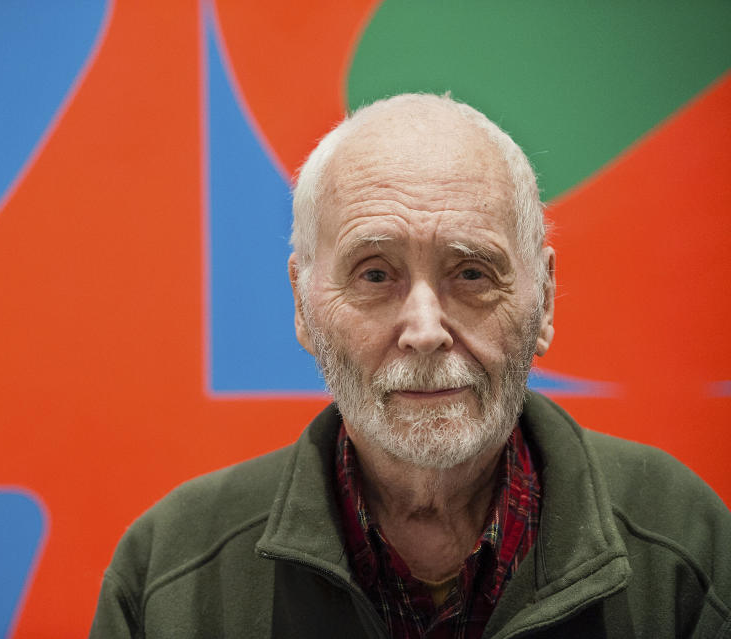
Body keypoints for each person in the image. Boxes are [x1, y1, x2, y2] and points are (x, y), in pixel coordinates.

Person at [90, 94, 731, 638]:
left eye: (472, 273)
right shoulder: (169, 576)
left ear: (546, 298)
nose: (425, 331)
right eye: (374, 274)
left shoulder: (685, 546)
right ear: (302, 306)